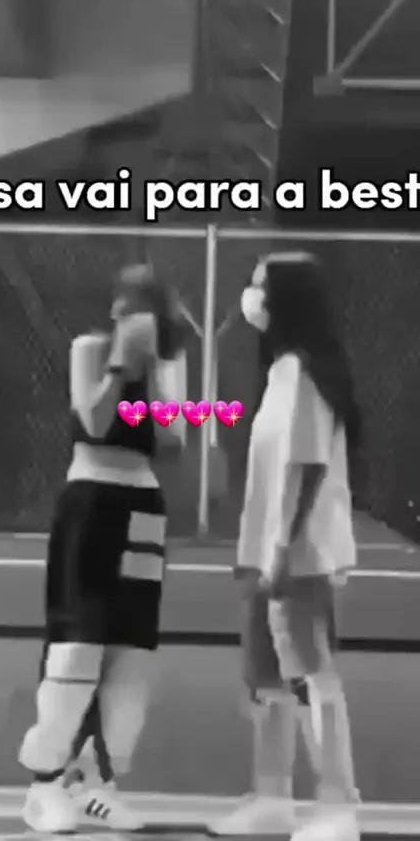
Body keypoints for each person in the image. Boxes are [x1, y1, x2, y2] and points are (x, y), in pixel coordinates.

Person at [19, 264, 186, 834]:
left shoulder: (169, 365)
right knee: (77, 645)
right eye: (122, 305)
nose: (126, 316)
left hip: (141, 509)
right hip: (90, 502)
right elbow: (92, 420)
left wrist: (153, 374)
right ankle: (45, 782)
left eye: (139, 308)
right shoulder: (89, 350)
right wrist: (120, 364)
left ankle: (98, 779)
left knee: (130, 652)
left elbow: (172, 439)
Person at [208, 252, 361, 841]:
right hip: (270, 552)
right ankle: (272, 797)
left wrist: (279, 547)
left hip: (297, 554)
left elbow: (306, 465)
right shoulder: (282, 372)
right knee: (268, 680)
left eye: (260, 286)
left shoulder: (303, 373)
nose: (251, 297)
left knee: (309, 673)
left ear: (287, 299)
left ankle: (337, 805)